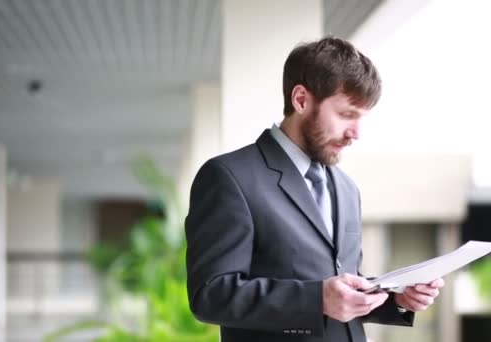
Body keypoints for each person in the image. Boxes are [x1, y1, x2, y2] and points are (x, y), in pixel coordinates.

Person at [184, 36, 444, 342]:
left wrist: (395, 297)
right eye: (347, 114)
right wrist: (316, 299)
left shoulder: (346, 188)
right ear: (301, 100)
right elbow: (210, 295)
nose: (356, 133)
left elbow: (342, 286)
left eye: (362, 118)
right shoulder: (229, 177)